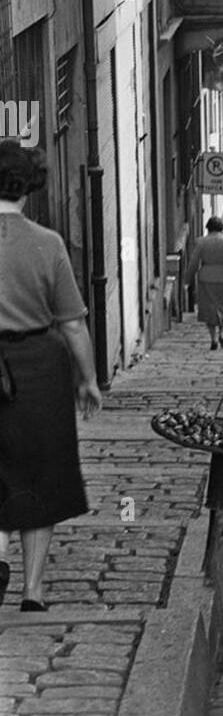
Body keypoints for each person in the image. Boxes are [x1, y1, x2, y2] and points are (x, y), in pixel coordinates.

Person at [0, 141, 102, 611]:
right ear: (30, 186)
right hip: (38, 367)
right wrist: (88, 379)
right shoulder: (47, 243)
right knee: (39, 472)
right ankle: (33, 590)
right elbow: (73, 323)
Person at [186, 217, 223, 351]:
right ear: (222, 228)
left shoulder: (201, 242)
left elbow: (193, 262)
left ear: (208, 228)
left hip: (206, 278)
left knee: (209, 309)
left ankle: (213, 338)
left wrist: (187, 280)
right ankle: (222, 333)